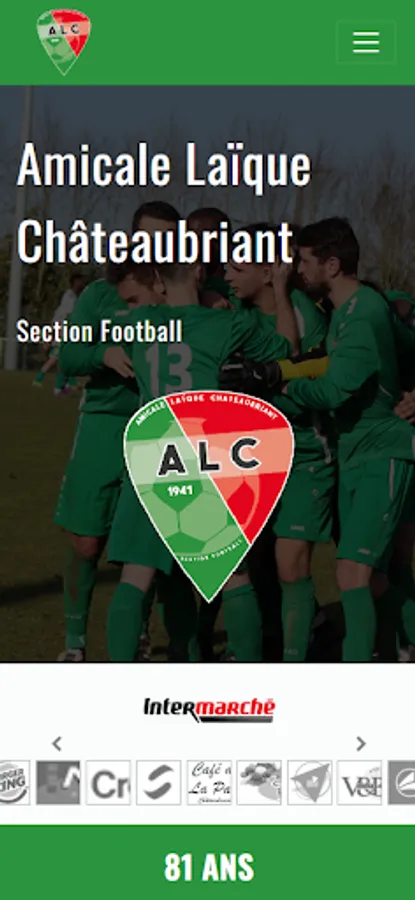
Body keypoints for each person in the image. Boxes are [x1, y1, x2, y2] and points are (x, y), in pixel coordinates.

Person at [105, 248, 299, 662]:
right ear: (199, 272)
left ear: (158, 280)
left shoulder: (138, 322)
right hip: (203, 455)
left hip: (151, 454)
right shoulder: (227, 324)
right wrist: (281, 290)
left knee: (135, 577)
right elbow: (287, 349)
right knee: (234, 577)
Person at [284, 217, 415, 662]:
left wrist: (286, 388)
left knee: (352, 573)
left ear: (332, 265)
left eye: (304, 260)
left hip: (383, 453)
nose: (299, 269)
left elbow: (334, 390)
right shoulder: (344, 311)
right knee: (371, 578)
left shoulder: (364, 312)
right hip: (354, 455)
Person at [55, 202, 180, 661]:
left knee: (145, 545)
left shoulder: (180, 295)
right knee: (86, 541)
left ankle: (140, 633)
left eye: (167, 239)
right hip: (103, 424)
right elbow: (69, 356)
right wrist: (102, 354)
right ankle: (74, 643)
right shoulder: (100, 295)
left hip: (159, 428)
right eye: (149, 237)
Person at [225, 224, 335, 662]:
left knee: (291, 563)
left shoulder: (307, 315)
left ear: (271, 270)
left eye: (238, 267)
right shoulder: (234, 313)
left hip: (305, 451)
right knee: (248, 563)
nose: (227, 274)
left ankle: (295, 662)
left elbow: (315, 372)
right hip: (251, 455)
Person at [33, 273, 87, 394]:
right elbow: (68, 314)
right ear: (75, 282)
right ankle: (60, 386)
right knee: (59, 358)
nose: (83, 284)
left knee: (60, 358)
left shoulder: (72, 296)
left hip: (63, 331)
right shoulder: (70, 297)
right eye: (80, 281)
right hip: (62, 332)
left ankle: (66, 384)